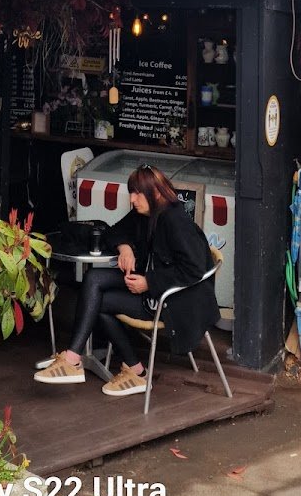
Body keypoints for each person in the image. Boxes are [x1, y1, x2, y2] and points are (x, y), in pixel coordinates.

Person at [35, 163, 220, 397]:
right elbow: (114, 231)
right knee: (93, 279)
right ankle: (82, 360)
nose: (132, 199)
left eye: (136, 193)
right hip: (150, 288)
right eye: (131, 193)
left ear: (154, 193)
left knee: (97, 304)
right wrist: (125, 248)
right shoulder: (145, 214)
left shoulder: (176, 221)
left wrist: (149, 282)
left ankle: (113, 367)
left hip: (173, 301)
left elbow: (193, 269)